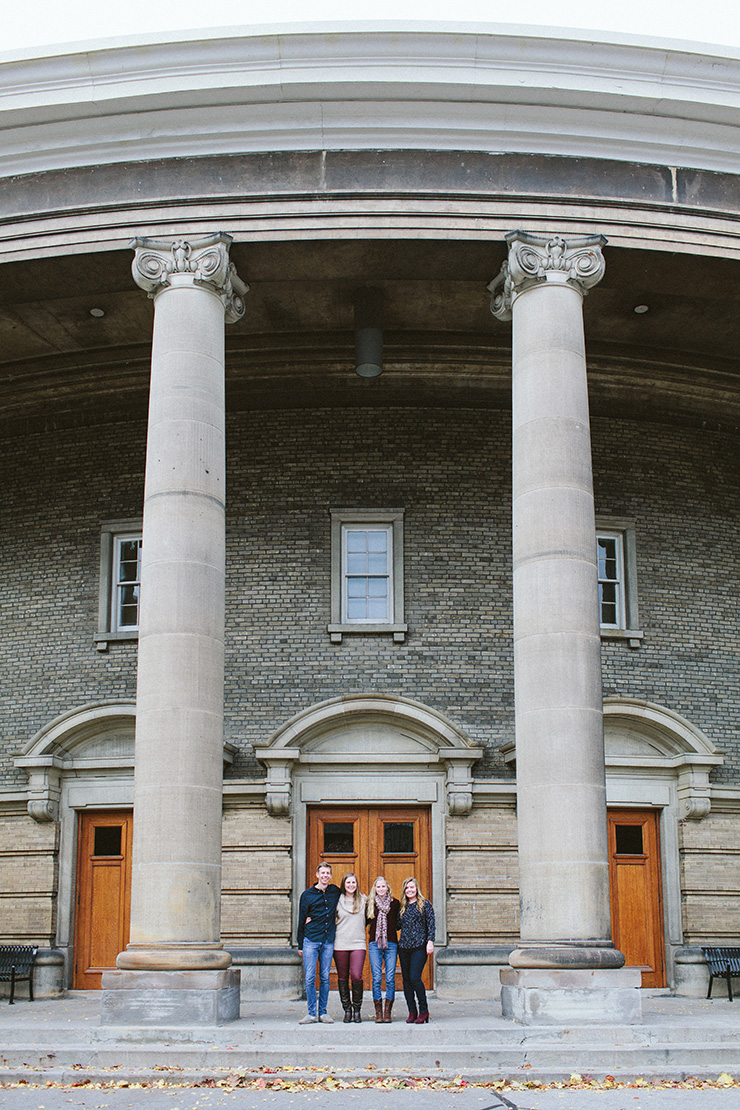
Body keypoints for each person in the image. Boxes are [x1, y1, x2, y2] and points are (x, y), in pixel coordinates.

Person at [296, 863, 341, 1024]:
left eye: (328, 873)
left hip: (328, 941)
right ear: (317, 875)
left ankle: (323, 1012)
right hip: (311, 940)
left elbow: (351, 897)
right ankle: (311, 1013)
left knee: (325, 977)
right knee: (309, 978)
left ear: (330, 875)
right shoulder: (307, 895)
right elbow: (301, 919)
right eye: (322, 873)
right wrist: (300, 944)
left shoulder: (335, 891)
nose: (325, 876)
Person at [398, 876, 435, 1024]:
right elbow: (397, 925)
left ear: (416, 888)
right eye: (407, 888)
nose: (409, 890)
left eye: (412, 887)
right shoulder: (403, 906)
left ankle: (424, 1010)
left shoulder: (424, 904)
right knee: (406, 980)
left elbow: (431, 924)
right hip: (404, 947)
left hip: (419, 946)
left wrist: (430, 942)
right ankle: (412, 1011)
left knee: (414, 977)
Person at [333, 871, 368, 1022]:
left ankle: (357, 1009)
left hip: (358, 943)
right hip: (340, 943)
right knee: (342, 977)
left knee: (356, 976)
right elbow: (325, 916)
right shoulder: (337, 900)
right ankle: (347, 1009)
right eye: (348, 883)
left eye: (353, 882)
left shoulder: (364, 900)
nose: (351, 885)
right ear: (344, 884)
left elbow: (371, 917)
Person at [366, 875, 400, 1023]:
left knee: (391, 977)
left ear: (388, 887)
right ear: (375, 888)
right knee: (377, 978)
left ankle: (388, 1012)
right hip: (375, 944)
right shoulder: (370, 904)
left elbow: (399, 922)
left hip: (391, 943)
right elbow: (364, 921)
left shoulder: (395, 904)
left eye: (383, 886)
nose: (381, 889)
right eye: (378, 886)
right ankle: (378, 1012)